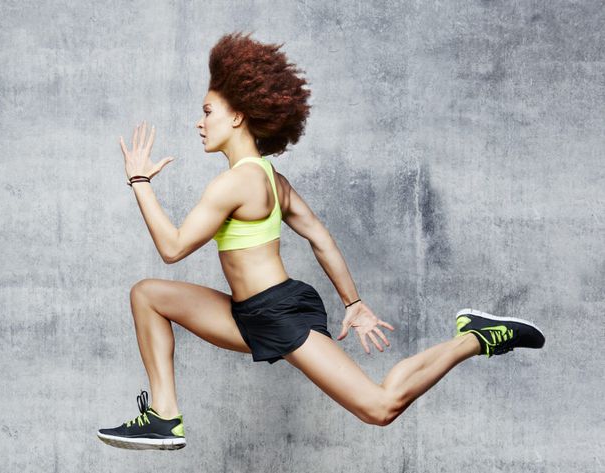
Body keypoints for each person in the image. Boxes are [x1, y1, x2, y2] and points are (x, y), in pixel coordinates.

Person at [96, 32, 545, 451]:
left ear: (237, 115)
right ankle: (164, 415)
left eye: (208, 111)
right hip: (248, 314)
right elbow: (319, 235)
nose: (199, 123)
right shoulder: (273, 179)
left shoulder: (235, 183)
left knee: (380, 407)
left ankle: (474, 337)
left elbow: (172, 248)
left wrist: (139, 180)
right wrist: (353, 303)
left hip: (277, 314)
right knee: (148, 295)